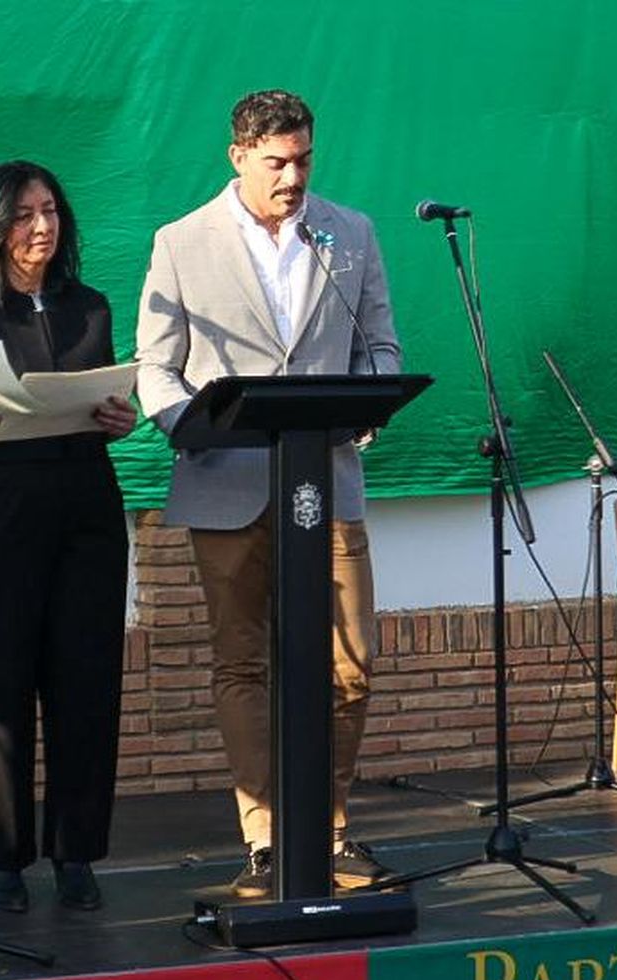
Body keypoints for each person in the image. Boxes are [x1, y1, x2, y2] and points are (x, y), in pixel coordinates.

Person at [135, 90, 402, 898]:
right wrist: (193, 424)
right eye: (277, 162)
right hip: (230, 482)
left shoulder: (349, 233)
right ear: (238, 156)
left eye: (304, 160)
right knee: (243, 662)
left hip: (326, 482)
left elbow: (380, 346)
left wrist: (369, 402)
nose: (293, 177)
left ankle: (329, 831)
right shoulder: (182, 242)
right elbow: (156, 364)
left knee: (350, 664)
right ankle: (266, 839)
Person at [0, 160, 136, 912]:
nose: (41, 226)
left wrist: (121, 417)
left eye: (50, 210)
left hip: (85, 513)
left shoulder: (90, 307)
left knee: (85, 684)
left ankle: (76, 853)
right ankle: (1, 861)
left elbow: (108, 406)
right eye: (23, 215)